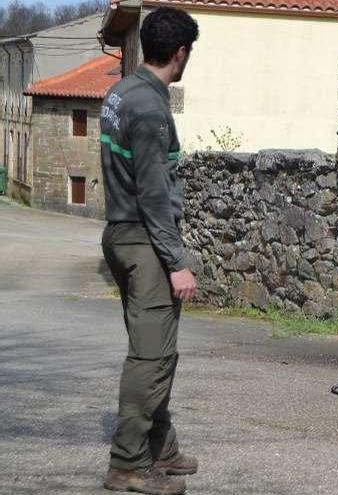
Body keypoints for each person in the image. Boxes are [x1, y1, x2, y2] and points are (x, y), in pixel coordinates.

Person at [100, 7, 199, 495]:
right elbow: (155, 193)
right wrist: (176, 262)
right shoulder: (151, 108)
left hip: (120, 233)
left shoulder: (120, 92)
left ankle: (161, 446)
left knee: (154, 350)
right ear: (180, 53)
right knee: (152, 357)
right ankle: (128, 464)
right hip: (144, 240)